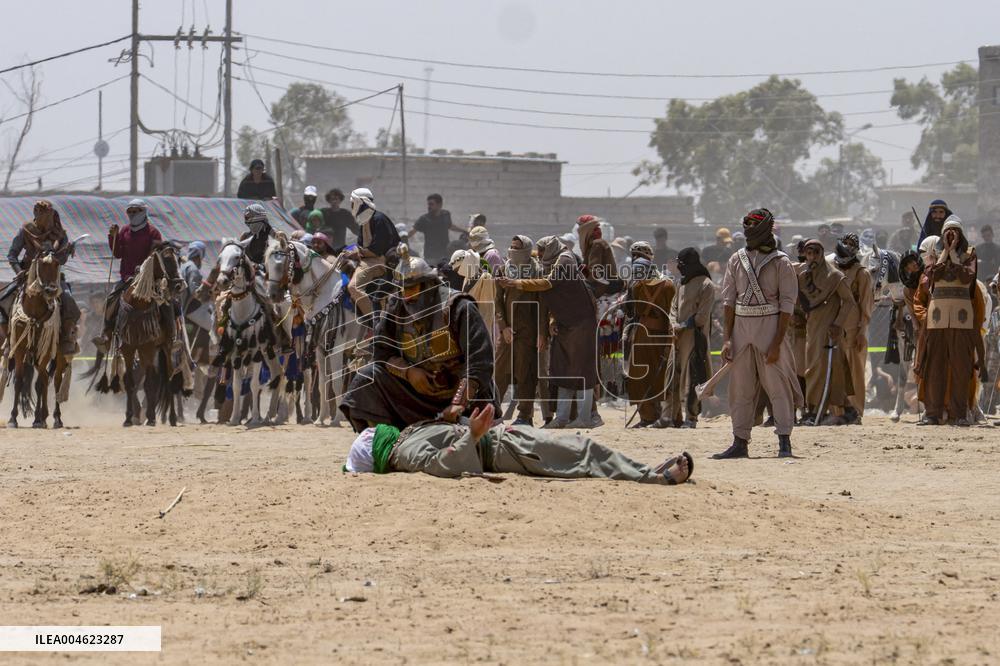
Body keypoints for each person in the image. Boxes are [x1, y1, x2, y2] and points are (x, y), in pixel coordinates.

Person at [339, 250, 498, 431]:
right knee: (366, 379)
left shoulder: (458, 307)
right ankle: (384, 443)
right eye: (403, 289)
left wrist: (458, 402)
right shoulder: (397, 306)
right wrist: (408, 372)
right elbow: (381, 351)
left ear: (428, 285)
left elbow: (480, 360)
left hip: (461, 396)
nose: (407, 296)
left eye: (412, 288)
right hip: (416, 395)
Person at [343, 403, 693, 484]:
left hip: (502, 442)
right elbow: (441, 464)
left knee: (583, 453)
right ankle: (655, 478)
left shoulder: (407, 439)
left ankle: (647, 471)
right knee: (584, 454)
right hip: (505, 449)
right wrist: (473, 434)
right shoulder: (406, 451)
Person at [712, 209, 801, 459]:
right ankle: (740, 442)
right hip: (741, 327)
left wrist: (777, 342)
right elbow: (728, 301)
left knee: (778, 386)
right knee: (740, 388)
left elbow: (786, 306)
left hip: (770, 326)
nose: (748, 228)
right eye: (746, 224)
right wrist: (727, 339)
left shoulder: (781, 261)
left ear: (763, 228)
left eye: (753, 224)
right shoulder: (735, 259)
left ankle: (784, 441)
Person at [498, 236, 600, 429]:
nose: (542, 255)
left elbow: (546, 287)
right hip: (563, 324)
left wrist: (516, 283)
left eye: (543, 250)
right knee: (562, 369)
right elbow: (551, 298)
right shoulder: (547, 264)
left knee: (579, 370)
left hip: (576, 322)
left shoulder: (563, 261)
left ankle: (586, 416)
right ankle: (562, 417)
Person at [913, 217, 982, 426]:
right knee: (934, 367)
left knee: (961, 367)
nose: (952, 235)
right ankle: (932, 413)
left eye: (955, 231)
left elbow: (965, 277)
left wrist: (954, 253)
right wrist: (945, 252)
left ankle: (959, 414)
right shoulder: (934, 255)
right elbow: (932, 275)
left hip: (962, 318)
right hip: (937, 318)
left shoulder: (970, 254)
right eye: (948, 232)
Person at [0, 200, 81, 354]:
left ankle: (66, 340)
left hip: (53, 279)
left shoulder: (60, 234)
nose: (39, 214)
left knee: (69, 300)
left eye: (43, 211)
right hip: (27, 276)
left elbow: (61, 260)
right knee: (4, 300)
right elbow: (12, 254)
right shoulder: (25, 230)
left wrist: (67, 251)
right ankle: (8, 340)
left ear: (51, 214)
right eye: (36, 210)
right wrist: (18, 270)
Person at [798, 239, 859, 425]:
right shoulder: (803, 277)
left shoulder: (834, 276)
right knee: (831, 372)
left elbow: (849, 301)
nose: (812, 257)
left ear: (822, 254)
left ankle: (814, 410)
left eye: (816, 253)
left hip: (829, 330)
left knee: (818, 369)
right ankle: (848, 409)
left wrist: (838, 324)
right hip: (811, 329)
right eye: (808, 253)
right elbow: (800, 303)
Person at [93, 199, 163, 352]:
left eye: (135, 211)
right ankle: (106, 336)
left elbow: (155, 255)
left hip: (147, 280)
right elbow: (117, 254)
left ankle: (171, 338)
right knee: (111, 300)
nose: (132, 214)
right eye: (130, 212)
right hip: (127, 279)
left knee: (168, 304)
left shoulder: (153, 232)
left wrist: (143, 270)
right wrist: (113, 237)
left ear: (144, 212)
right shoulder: (124, 230)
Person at [494, 235, 548, 426]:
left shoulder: (537, 272)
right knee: (499, 372)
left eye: (517, 247)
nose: (513, 250)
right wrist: (503, 327)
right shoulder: (502, 270)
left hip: (528, 330)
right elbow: (498, 302)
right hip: (507, 331)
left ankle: (525, 415)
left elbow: (543, 305)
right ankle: (493, 413)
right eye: (511, 246)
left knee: (526, 373)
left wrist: (542, 332)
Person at [622, 246, 674, 428]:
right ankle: (662, 414)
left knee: (640, 376)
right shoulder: (668, 284)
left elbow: (629, 309)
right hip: (663, 335)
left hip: (642, 334)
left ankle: (647, 416)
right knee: (659, 374)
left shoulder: (635, 286)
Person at [666, 247, 715, 428]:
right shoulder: (681, 283)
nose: (680, 268)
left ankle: (691, 416)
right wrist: (673, 324)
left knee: (693, 377)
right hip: (677, 337)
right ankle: (673, 417)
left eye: (682, 264)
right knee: (674, 376)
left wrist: (683, 326)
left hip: (695, 337)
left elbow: (702, 316)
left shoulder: (706, 285)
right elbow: (673, 308)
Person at [834, 234, 875, 422]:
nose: (848, 247)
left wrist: (861, 331)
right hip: (835, 328)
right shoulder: (832, 270)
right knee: (837, 370)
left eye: (852, 245)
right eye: (845, 243)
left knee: (855, 371)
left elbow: (866, 305)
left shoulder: (861, 273)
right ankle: (838, 412)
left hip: (853, 330)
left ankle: (856, 411)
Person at [344, 188, 401, 318]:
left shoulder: (379, 219)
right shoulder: (363, 220)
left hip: (379, 261)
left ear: (360, 202)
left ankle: (373, 321)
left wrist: (357, 253)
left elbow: (376, 250)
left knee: (354, 287)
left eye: (353, 202)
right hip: (367, 259)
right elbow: (361, 245)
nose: (352, 206)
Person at [410, 193, 465, 264]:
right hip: (430, 256)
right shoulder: (424, 219)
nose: (429, 206)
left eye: (431, 204)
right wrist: (401, 238)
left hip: (445, 254)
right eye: (428, 204)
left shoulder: (446, 214)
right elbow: (413, 231)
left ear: (440, 205)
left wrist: (465, 231)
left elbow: (450, 226)